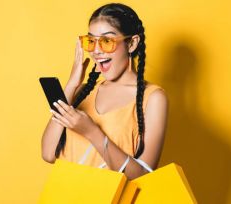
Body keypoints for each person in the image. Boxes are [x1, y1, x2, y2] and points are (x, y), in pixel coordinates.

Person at [41, 3, 168, 180]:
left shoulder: (153, 98)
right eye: (91, 41)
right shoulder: (84, 92)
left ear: (131, 43)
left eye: (107, 41)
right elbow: (48, 153)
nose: (97, 51)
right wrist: (71, 85)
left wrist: (91, 132)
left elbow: (143, 176)